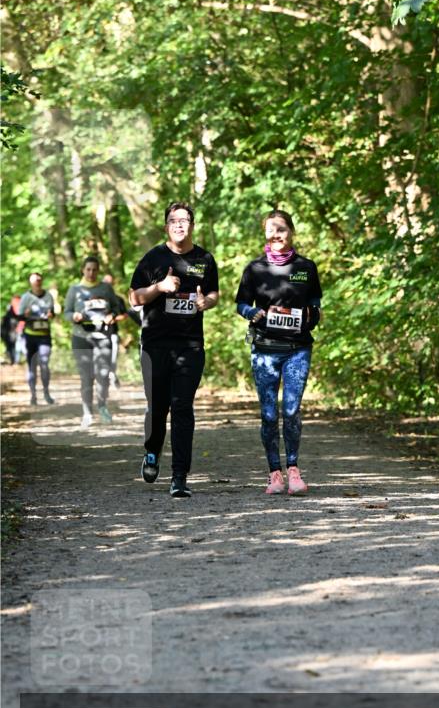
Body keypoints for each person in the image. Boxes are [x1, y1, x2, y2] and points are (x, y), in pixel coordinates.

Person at [129, 201, 219, 498]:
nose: (180, 224)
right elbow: (134, 298)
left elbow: (214, 292)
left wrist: (208, 302)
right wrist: (160, 288)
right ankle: (152, 451)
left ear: (192, 225)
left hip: (190, 345)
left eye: (185, 220)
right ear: (166, 226)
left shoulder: (205, 258)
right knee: (158, 406)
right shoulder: (153, 258)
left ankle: (179, 476)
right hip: (155, 345)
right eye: (173, 220)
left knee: (182, 407)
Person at [235, 209, 322, 496]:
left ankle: (294, 470)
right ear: (264, 233)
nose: (276, 235)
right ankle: (275, 473)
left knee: (291, 409)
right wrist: (254, 312)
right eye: (271, 230)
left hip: (298, 349)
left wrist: (310, 316)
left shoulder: (306, 267)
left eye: (281, 229)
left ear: (291, 231)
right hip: (265, 349)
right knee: (270, 414)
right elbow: (240, 305)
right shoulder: (255, 269)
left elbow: (316, 304)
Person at [63, 256, 120, 428]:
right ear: (83, 270)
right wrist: (74, 316)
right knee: (86, 378)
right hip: (81, 338)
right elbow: (66, 312)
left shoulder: (106, 288)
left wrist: (112, 315)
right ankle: (87, 412)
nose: (91, 272)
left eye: (95, 269)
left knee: (103, 376)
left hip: (102, 337)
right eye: (88, 269)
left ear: (98, 270)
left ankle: (102, 407)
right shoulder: (74, 290)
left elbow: (117, 308)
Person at [18, 273, 56, 405]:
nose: (37, 282)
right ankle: (33, 395)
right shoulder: (26, 297)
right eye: (34, 280)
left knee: (44, 363)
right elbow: (19, 317)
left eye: (39, 280)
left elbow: (53, 313)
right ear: (30, 282)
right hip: (30, 336)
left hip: (44, 335)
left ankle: (46, 392)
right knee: (32, 366)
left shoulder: (48, 296)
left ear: (42, 281)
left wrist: (51, 314)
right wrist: (25, 315)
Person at [102, 273, 141, 388]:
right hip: (98, 334)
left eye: (110, 283)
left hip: (113, 332)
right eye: (106, 283)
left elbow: (125, 315)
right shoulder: (96, 298)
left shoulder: (118, 299)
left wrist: (113, 318)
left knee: (113, 357)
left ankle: (112, 376)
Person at [1, 296, 21, 365]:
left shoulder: (17, 312)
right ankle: (13, 360)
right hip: (8, 333)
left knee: (14, 347)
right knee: (10, 347)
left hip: (13, 333)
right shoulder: (8, 315)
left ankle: (15, 361)